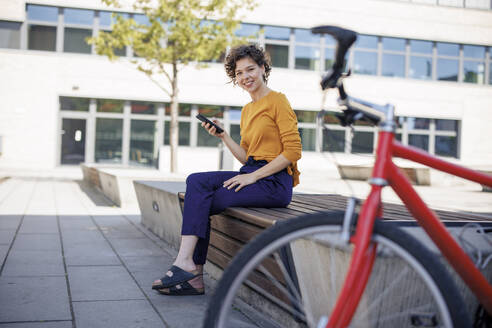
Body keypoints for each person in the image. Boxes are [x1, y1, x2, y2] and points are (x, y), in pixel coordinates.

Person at [151, 44, 302, 296]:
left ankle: (189, 269)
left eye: (250, 69)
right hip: (253, 173)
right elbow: (246, 156)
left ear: (263, 68)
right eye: (239, 73)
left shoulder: (278, 100)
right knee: (197, 185)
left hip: (274, 182)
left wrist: (252, 176)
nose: (246, 77)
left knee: (200, 196)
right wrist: (224, 137)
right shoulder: (247, 110)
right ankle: (189, 268)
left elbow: (293, 152)